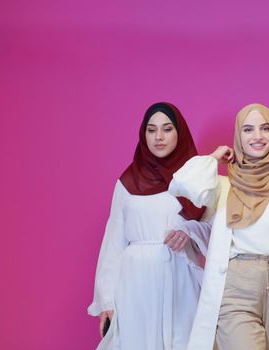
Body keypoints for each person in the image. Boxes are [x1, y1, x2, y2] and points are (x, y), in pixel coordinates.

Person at [169, 103, 269, 350]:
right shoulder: (224, 186)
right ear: (238, 137)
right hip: (235, 288)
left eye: (265, 128)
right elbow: (181, 184)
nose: (257, 136)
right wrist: (214, 157)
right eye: (248, 129)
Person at [87, 102, 211, 349]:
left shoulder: (196, 179)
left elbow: (213, 229)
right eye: (151, 130)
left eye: (167, 129)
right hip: (135, 283)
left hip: (182, 279)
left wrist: (189, 231)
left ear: (180, 132)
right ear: (143, 135)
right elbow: (114, 241)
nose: (159, 137)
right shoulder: (128, 182)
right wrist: (107, 302)